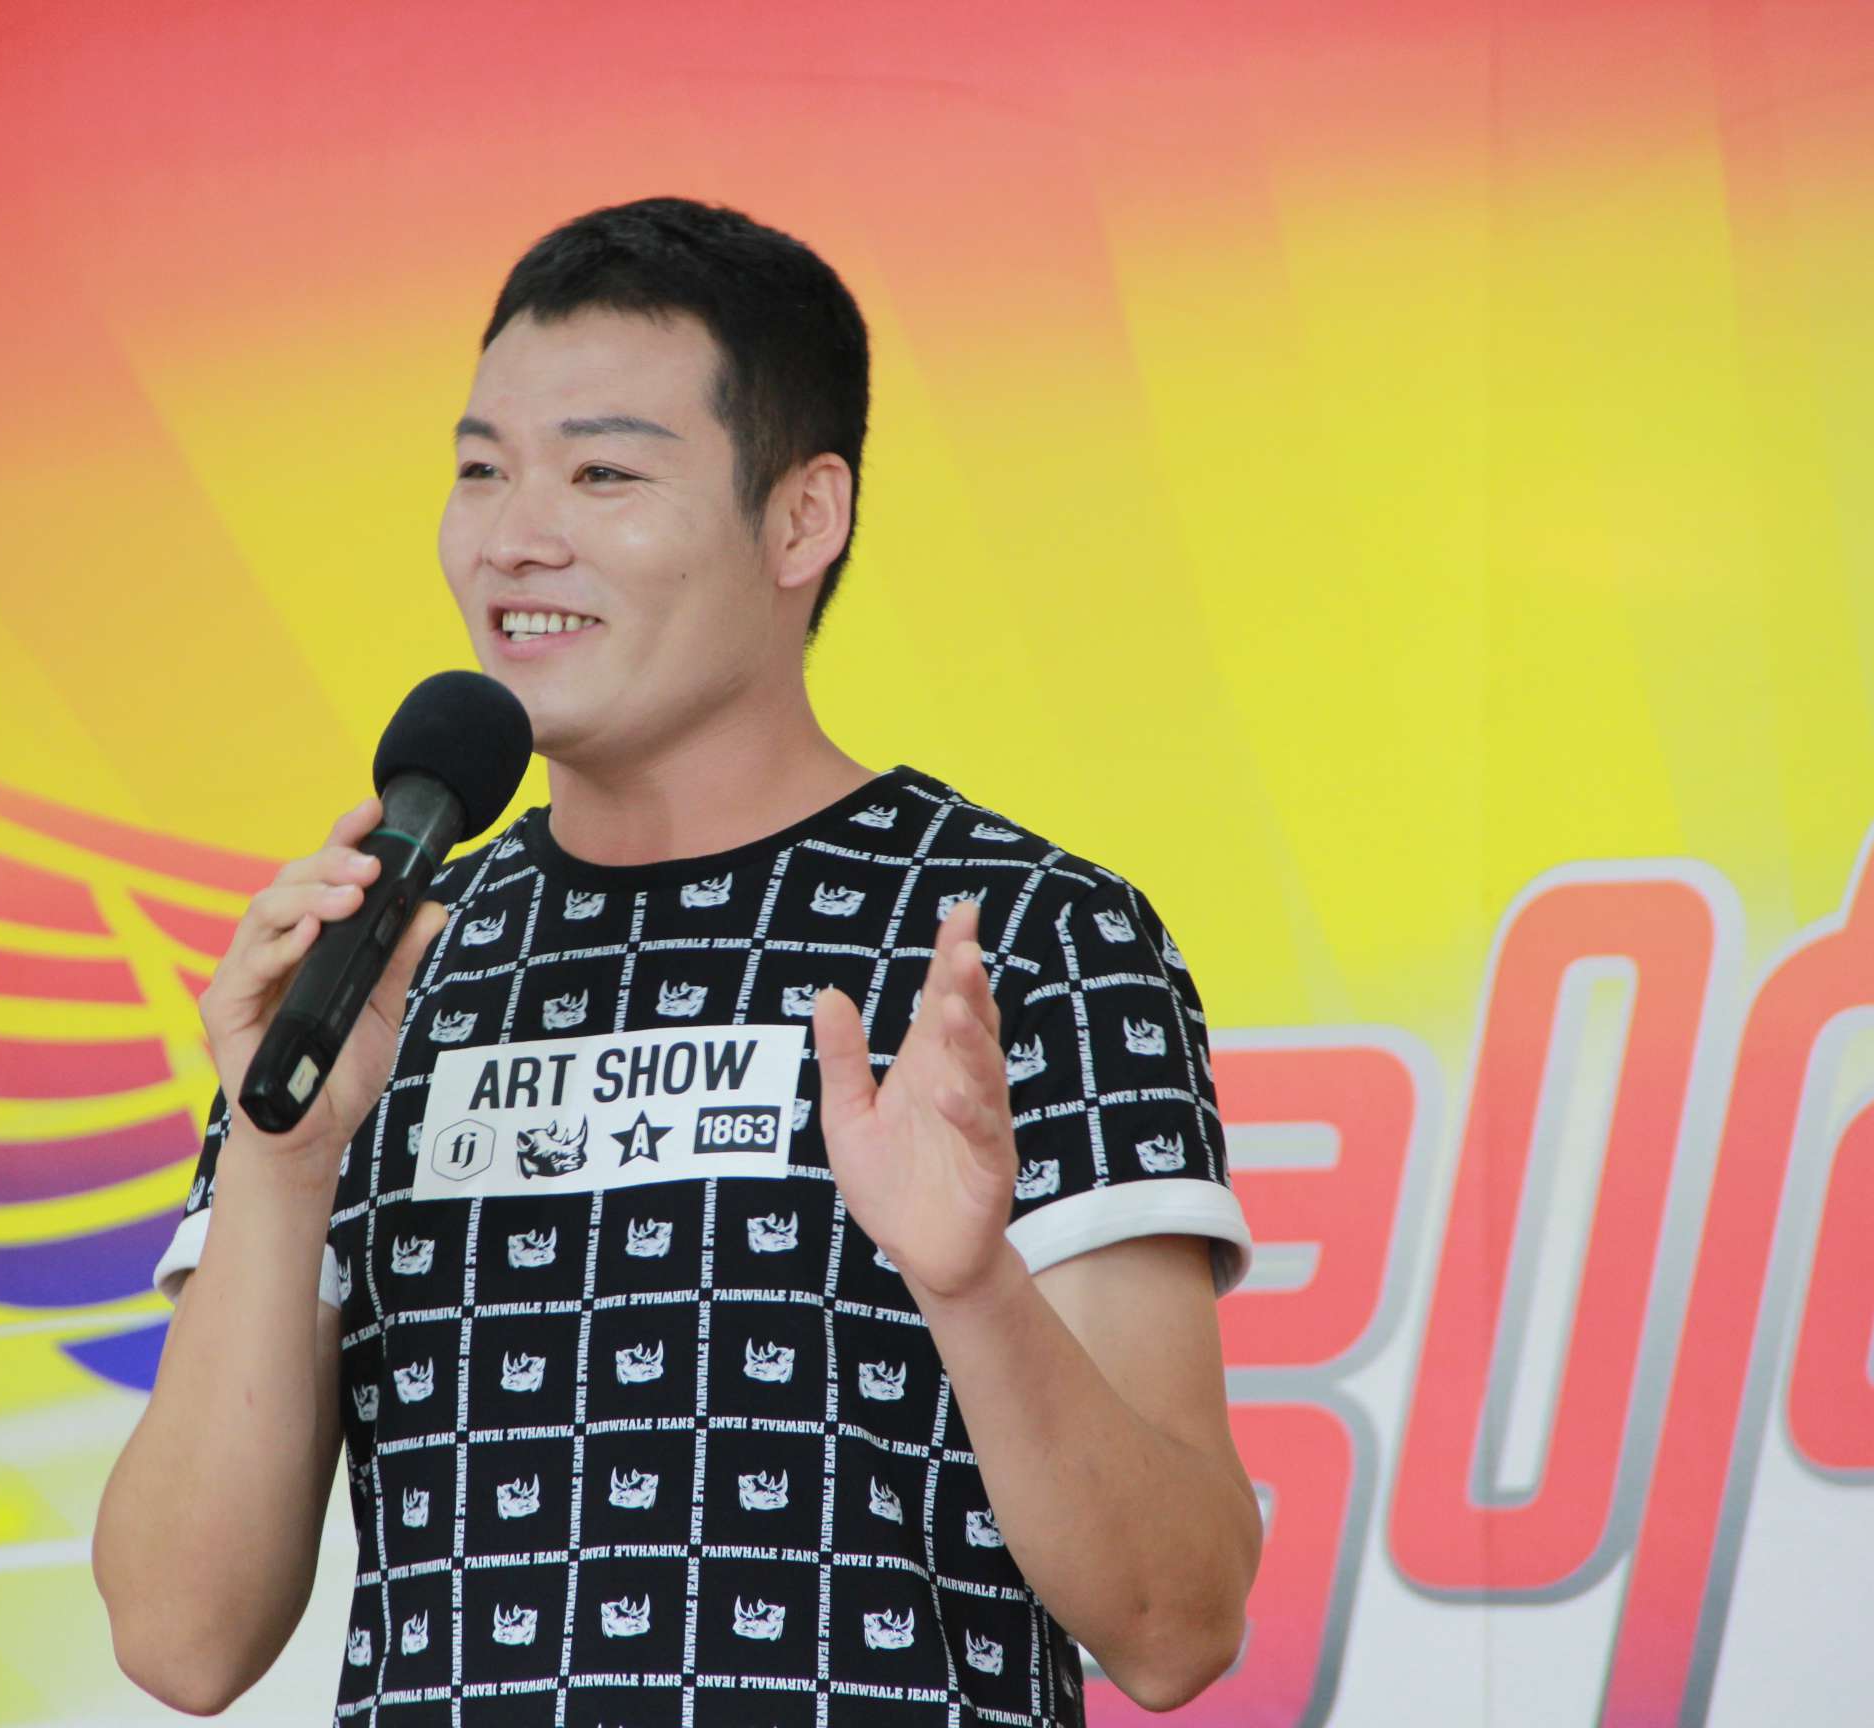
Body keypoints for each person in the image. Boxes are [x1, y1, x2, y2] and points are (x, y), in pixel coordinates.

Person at [93, 196, 1259, 1724]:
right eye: (481, 470)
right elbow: (180, 1640)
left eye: (604, 472)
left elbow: (1179, 1624)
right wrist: (281, 1158)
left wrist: (970, 1284)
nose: (515, 536)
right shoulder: (377, 965)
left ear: (802, 518)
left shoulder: (1020, 939)